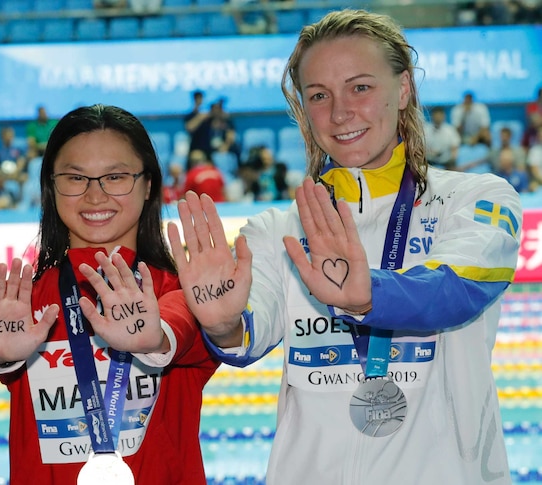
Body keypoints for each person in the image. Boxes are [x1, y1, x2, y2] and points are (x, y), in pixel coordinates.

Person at [168, 10, 519, 484]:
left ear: (404, 89)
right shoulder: (277, 229)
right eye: (319, 96)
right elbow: (248, 332)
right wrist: (226, 323)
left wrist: (368, 295)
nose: (339, 113)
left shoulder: (475, 198)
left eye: (360, 87)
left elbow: (457, 290)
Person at [0, 104, 219, 484]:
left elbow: (184, 322)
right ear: (51, 187)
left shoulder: (185, 294)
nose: (95, 195)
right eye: (75, 178)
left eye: (115, 177)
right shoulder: (20, 304)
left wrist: (156, 337)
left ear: (148, 184)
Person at [423, 106, 460, 170]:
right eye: (436, 116)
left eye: (440, 116)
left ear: (444, 116)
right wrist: (430, 153)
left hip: (446, 161)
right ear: (432, 116)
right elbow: (420, 148)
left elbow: (455, 148)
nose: (438, 118)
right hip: (429, 161)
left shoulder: (450, 130)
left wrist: (453, 159)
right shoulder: (425, 130)